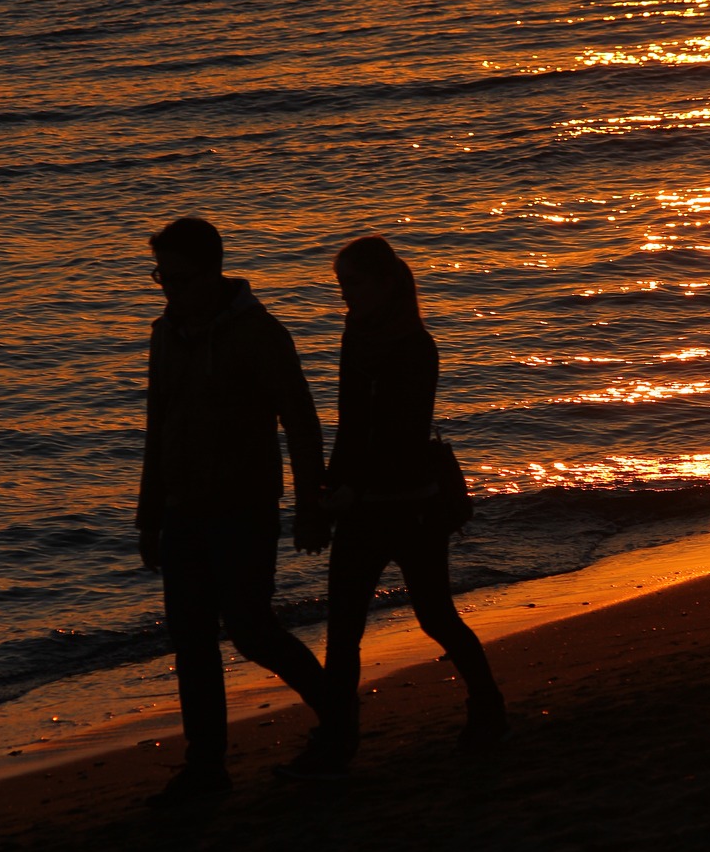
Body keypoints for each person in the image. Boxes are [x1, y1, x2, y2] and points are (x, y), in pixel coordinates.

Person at [282, 235, 507, 780]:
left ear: (385, 283)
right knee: (344, 629)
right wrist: (326, 491)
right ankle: (338, 738)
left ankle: (487, 707)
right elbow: (352, 425)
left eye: (353, 285)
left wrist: (349, 491)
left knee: (434, 614)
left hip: (410, 506)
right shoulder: (355, 337)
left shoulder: (415, 346)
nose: (345, 297)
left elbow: (400, 436)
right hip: (364, 505)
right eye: (341, 287)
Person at [137, 216, 330, 807]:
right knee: (191, 640)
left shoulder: (260, 334)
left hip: (244, 509)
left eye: (177, 280)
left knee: (249, 629)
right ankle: (206, 766)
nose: (167, 291)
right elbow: (157, 423)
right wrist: (149, 513)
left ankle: (335, 711)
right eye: (160, 279)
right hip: (182, 511)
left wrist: (310, 505)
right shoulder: (165, 334)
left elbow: (300, 421)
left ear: (211, 274)